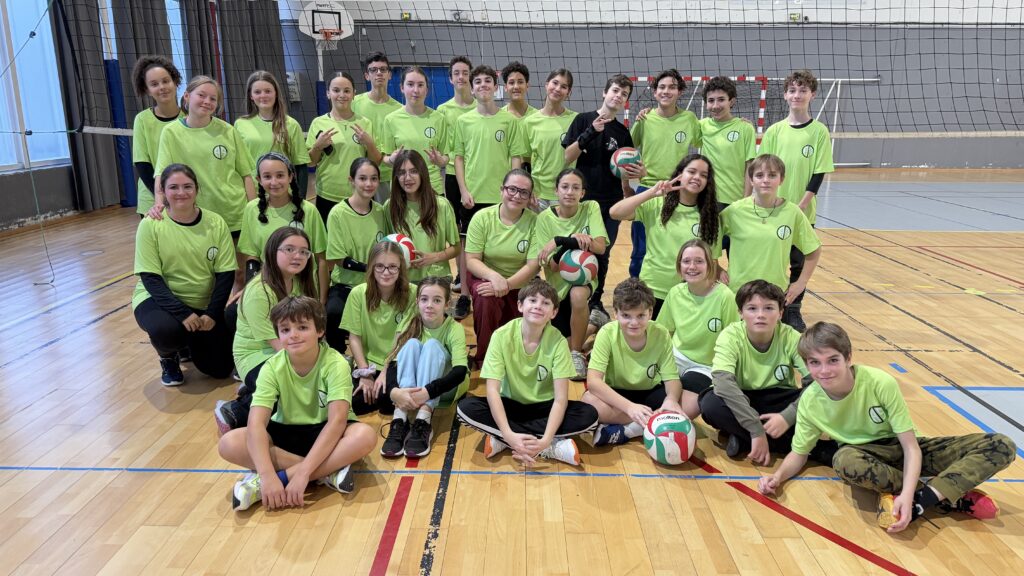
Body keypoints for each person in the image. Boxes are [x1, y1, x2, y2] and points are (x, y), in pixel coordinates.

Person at [759, 322, 1015, 533]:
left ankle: (921, 501)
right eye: (814, 362)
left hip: (903, 448)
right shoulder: (810, 402)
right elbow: (800, 453)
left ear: (848, 358)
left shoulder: (879, 382)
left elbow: (911, 447)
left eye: (832, 360)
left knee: (1001, 444)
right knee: (845, 461)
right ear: (806, 365)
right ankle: (946, 493)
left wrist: (907, 494)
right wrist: (777, 477)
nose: (824, 370)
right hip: (864, 456)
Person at [218, 296, 376, 511]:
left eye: (302, 327)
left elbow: (337, 422)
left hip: (325, 431)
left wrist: (297, 475)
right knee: (229, 442)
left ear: (320, 330)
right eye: (285, 330)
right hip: (286, 432)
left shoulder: (336, 363)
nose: (293, 335)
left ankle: (282, 477)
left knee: (365, 436)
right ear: (278, 335)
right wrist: (267, 475)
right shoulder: (271, 367)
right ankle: (328, 472)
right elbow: (256, 423)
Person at [456, 278, 599, 466]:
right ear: (520, 305)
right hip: (510, 404)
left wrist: (545, 439)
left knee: (589, 415)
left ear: (554, 312)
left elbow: (560, 399)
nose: (538, 306)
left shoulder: (558, 342)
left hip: (544, 407)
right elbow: (492, 391)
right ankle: (536, 444)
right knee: (465, 408)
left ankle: (508, 441)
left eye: (546, 303)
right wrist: (508, 433)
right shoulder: (501, 336)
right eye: (532, 300)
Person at [698, 280, 837, 465]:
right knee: (710, 404)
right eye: (752, 308)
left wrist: (787, 417)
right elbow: (723, 383)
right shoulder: (730, 336)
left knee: (823, 398)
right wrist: (755, 429)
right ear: (740, 313)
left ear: (780, 313)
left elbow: (816, 384)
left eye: (769, 308)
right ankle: (815, 449)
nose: (760, 315)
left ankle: (743, 438)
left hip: (779, 400)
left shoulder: (792, 337)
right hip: (742, 398)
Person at [132, 164, 236, 385]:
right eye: (173, 187)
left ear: (197, 189)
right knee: (167, 331)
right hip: (158, 301)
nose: (181, 193)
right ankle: (168, 356)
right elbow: (151, 279)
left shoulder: (216, 222)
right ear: (163, 191)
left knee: (220, 369)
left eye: (187, 186)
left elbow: (226, 274)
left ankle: (189, 342)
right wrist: (183, 314)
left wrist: (212, 314)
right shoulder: (150, 225)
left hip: (202, 304)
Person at [153, 75, 255, 291]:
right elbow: (161, 174)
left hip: (233, 213)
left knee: (239, 273)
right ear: (186, 97)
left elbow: (246, 174)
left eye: (213, 98)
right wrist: (159, 203)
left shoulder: (228, 130)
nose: (207, 101)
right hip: (198, 215)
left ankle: (236, 311)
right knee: (205, 274)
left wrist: (254, 208)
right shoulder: (171, 132)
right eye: (202, 95)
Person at [215, 227, 320, 435]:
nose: (297, 256)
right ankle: (235, 410)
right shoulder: (259, 292)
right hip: (257, 355)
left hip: (291, 348)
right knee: (297, 388)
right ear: (273, 251)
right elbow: (279, 347)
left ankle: (254, 391)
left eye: (304, 252)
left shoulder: (300, 281)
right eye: (289, 249)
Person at [759, 69, 834, 330]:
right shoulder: (775, 131)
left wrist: (801, 205)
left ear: (812, 95)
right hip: (772, 209)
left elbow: (819, 172)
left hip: (802, 211)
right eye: (792, 90)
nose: (797, 95)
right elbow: (763, 170)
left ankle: (792, 309)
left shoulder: (819, 132)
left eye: (803, 90)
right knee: (771, 260)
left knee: (798, 263)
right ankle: (768, 306)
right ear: (785, 95)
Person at [562, 74, 641, 325]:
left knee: (603, 252)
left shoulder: (622, 132)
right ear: (605, 93)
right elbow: (568, 156)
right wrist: (590, 132)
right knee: (576, 249)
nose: (618, 96)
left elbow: (625, 170)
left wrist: (629, 186)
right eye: (615, 90)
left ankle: (595, 301)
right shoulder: (583, 120)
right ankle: (569, 300)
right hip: (583, 201)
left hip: (610, 201)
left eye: (624, 94)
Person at [453, 64, 528, 320]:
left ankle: (510, 290)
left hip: (502, 198)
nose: (483, 85)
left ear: (496, 88)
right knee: (468, 249)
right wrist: (463, 190)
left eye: (488, 81)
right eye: (478, 82)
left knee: (506, 244)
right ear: (472, 88)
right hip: (473, 197)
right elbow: (459, 158)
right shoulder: (463, 121)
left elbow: (516, 158)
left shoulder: (509, 121)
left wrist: (514, 192)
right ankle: (465, 295)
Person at [610, 153, 721, 317]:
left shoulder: (710, 216)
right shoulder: (657, 204)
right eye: (692, 172)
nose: (697, 177)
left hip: (688, 294)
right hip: (653, 291)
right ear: (680, 174)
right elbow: (615, 212)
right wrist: (652, 192)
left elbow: (712, 262)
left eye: (703, 175)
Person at [721, 154, 821, 331]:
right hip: (738, 292)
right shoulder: (734, 211)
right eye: (759, 175)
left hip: (773, 294)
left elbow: (813, 250)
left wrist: (801, 283)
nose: (765, 180)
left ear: (781, 179)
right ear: (751, 180)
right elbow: (708, 241)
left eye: (772, 175)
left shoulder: (792, 213)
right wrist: (715, 268)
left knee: (767, 343)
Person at [582, 278, 683, 446]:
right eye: (626, 316)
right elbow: (593, 382)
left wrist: (671, 399)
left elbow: (671, 378)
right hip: (618, 395)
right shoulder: (607, 333)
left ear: (650, 312)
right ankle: (650, 424)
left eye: (641, 315)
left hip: (650, 393)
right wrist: (629, 407)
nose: (634, 323)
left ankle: (630, 429)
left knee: (688, 401)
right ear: (615, 313)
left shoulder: (661, 333)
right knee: (588, 401)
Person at [527, 168, 607, 380]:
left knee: (578, 295)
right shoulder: (544, 218)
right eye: (564, 187)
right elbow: (553, 267)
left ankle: (576, 355)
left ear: (582, 193)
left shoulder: (590, 207)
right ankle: (594, 322)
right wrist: (569, 240)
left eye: (575, 187)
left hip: (585, 279)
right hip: (557, 287)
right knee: (562, 343)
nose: (570, 192)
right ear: (556, 191)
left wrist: (562, 241)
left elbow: (600, 247)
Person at [379, 277, 470, 459]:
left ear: (447, 304)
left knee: (432, 346)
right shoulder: (409, 323)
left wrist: (427, 392)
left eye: (437, 300)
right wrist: (395, 392)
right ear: (417, 302)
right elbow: (394, 364)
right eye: (424, 299)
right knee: (411, 344)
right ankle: (400, 417)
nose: (429, 305)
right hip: (414, 392)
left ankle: (424, 419)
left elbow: (460, 372)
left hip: (445, 389)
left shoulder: (454, 328)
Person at [627, 69, 701, 278]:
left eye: (672, 87)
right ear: (655, 92)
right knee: (640, 248)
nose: (666, 91)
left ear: (680, 92)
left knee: (676, 245)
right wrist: (637, 174)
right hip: (648, 190)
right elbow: (627, 152)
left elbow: (708, 136)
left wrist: (737, 123)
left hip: (677, 190)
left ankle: (674, 286)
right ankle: (636, 286)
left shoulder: (689, 119)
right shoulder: (645, 119)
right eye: (662, 87)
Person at [656, 239, 739, 418]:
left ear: (710, 265)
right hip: (675, 358)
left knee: (681, 413)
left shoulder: (725, 296)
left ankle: (634, 427)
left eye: (699, 261)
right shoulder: (675, 292)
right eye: (686, 261)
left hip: (705, 366)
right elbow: (663, 333)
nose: (692, 266)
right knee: (652, 398)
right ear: (679, 266)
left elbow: (734, 340)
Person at [464, 169, 538, 366]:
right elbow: (471, 260)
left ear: (530, 197)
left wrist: (506, 284)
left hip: (519, 281)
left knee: (531, 312)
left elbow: (533, 266)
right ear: (501, 190)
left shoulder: (535, 222)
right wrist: (493, 276)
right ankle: (485, 357)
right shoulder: (482, 218)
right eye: (512, 189)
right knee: (485, 299)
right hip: (485, 277)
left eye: (524, 192)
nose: (517, 195)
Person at [237, 152, 328, 304]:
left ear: (290, 177)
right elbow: (252, 256)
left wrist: (322, 301)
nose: (274, 182)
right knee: (232, 312)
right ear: (259, 180)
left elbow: (321, 259)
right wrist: (250, 289)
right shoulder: (252, 209)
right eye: (267, 176)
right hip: (268, 288)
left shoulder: (309, 210)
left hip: (302, 290)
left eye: (280, 175)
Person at [340, 241, 417, 415]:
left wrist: (386, 372)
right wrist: (365, 373)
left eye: (392, 267)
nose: (386, 272)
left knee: (386, 401)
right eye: (380, 266)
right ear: (371, 268)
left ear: (401, 268)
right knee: (355, 403)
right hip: (369, 363)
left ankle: (387, 396)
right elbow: (354, 338)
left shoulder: (413, 293)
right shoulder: (358, 293)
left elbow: (403, 338)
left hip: (397, 361)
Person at [323, 158, 390, 353]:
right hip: (346, 285)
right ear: (351, 180)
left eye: (374, 178)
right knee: (333, 313)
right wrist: (370, 268)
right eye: (362, 178)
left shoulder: (381, 211)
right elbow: (337, 258)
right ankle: (338, 357)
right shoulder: (338, 213)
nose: (369, 184)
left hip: (377, 284)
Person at [307, 72, 382, 223]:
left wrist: (369, 144)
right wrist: (317, 146)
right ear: (328, 93)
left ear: (354, 94)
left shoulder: (365, 123)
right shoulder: (318, 123)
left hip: (360, 194)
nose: (342, 95)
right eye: (336, 90)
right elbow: (311, 163)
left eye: (347, 91)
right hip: (327, 194)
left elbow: (376, 161)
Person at [437, 56, 475, 317]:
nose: (461, 77)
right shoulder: (443, 110)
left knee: (476, 232)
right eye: (456, 73)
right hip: (453, 175)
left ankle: (470, 277)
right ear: (450, 78)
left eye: (465, 72)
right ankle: (462, 276)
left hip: (479, 175)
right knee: (458, 232)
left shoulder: (480, 107)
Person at [386, 149, 460, 283]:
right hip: (402, 280)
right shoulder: (389, 206)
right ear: (396, 177)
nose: (408, 178)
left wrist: (434, 257)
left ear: (422, 173)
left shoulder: (441, 205)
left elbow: (457, 248)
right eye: (402, 173)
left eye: (413, 171)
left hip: (436, 279)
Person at [234, 70, 311, 196]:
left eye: (268, 91)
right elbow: (238, 165)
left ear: (276, 93)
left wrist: (300, 199)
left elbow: (301, 165)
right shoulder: (240, 124)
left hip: (283, 194)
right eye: (257, 92)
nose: (263, 95)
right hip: (252, 194)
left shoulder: (291, 124)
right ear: (251, 96)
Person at [380, 66, 449, 196]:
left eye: (420, 85)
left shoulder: (439, 118)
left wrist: (440, 161)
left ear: (427, 90)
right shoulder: (391, 120)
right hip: (403, 187)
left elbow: (446, 156)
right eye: (410, 84)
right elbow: (385, 158)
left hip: (432, 187)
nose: (416, 90)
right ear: (402, 88)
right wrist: (391, 160)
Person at [130, 55, 182, 218]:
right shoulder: (142, 120)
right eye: (154, 84)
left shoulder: (189, 118)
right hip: (153, 198)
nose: (162, 87)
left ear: (175, 82)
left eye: (166, 81)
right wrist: (162, 197)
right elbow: (142, 164)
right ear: (147, 89)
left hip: (185, 195)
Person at [522, 68, 577, 208]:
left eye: (564, 86)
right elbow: (525, 160)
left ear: (569, 93)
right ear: (547, 85)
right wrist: (528, 190)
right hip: (537, 196)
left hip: (566, 194)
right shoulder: (529, 122)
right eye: (555, 83)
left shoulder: (576, 120)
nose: (558, 89)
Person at [699, 76, 756, 210]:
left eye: (721, 99)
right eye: (711, 100)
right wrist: (650, 114)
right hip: (707, 198)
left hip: (735, 200)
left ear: (731, 101)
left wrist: (746, 200)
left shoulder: (745, 128)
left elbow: (750, 167)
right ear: (706, 103)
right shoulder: (701, 126)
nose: (715, 106)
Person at [352, 51, 402, 201]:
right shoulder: (354, 103)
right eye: (373, 70)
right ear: (367, 76)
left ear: (389, 74)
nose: (379, 73)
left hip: (387, 175)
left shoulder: (399, 109)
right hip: (359, 174)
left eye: (383, 69)